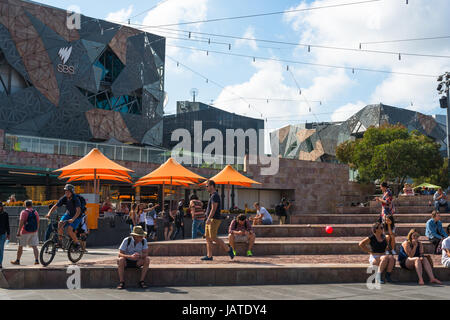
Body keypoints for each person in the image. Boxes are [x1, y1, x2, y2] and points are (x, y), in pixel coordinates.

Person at [201, 180, 235, 261]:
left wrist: (209, 218)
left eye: (207, 186)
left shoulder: (215, 195)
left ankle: (228, 249)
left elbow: (214, 208)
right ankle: (209, 256)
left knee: (213, 237)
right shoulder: (212, 195)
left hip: (214, 219)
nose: (206, 188)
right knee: (208, 238)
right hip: (210, 219)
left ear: (211, 186)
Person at [46, 184, 83, 249]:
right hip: (68, 214)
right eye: (65, 191)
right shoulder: (64, 198)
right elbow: (55, 206)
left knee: (69, 230)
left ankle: (77, 243)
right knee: (60, 224)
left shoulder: (75, 199)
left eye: (68, 192)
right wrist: (49, 213)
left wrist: (73, 219)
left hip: (77, 216)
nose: (66, 193)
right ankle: (60, 242)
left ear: (72, 192)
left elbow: (78, 211)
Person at [11, 200, 40, 266]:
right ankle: (36, 260)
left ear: (25, 205)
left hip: (25, 232)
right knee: (34, 246)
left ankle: (17, 260)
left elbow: (21, 222)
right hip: (34, 231)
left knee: (20, 246)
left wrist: (18, 232)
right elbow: (38, 221)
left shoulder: (24, 212)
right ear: (31, 205)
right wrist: (36, 230)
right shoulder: (35, 212)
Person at [375, 182, 396, 255]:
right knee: (384, 233)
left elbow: (387, 202)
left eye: (381, 187)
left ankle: (391, 249)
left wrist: (379, 199)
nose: (380, 188)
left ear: (384, 187)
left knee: (390, 234)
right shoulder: (386, 193)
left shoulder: (388, 193)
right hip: (384, 214)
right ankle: (386, 249)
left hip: (387, 214)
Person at [0, 202, 10, 269]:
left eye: (1, 206)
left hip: (2, 234)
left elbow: (7, 224)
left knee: (1, 249)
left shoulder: (5, 214)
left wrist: (8, 234)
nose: (1, 207)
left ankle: (0, 263)